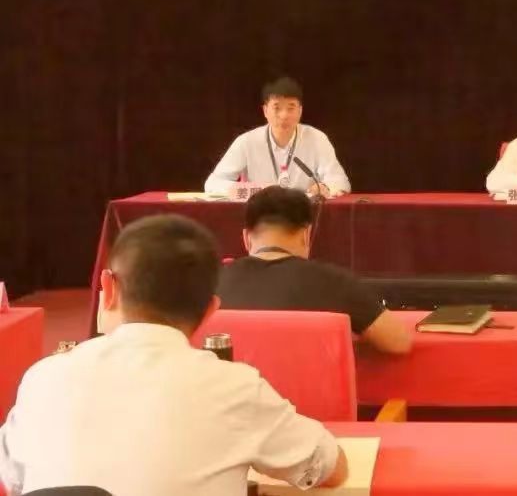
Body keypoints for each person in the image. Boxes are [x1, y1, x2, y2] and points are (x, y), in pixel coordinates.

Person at [0, 215, 348, 496]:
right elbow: (330, 467)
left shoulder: (43, 378)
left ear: (108, 288)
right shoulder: (233, 387)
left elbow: (13, 479)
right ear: (210, 310)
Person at [217, 187, 412, 355]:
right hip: (308, 389)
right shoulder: (334, 283)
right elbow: (398, 342)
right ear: (306, 235)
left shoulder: (211, 282)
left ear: (246, 238)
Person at [205, 76, 350, 197]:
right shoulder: (246, 142)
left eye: (291, 108)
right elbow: (213, 183)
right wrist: (249, 190)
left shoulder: (317, 139)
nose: (284, 115)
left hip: (303, 212)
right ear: (265, 111)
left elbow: (340, 181)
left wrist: (325, 187)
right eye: (277, 108)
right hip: (261, 213)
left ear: (300, 111)